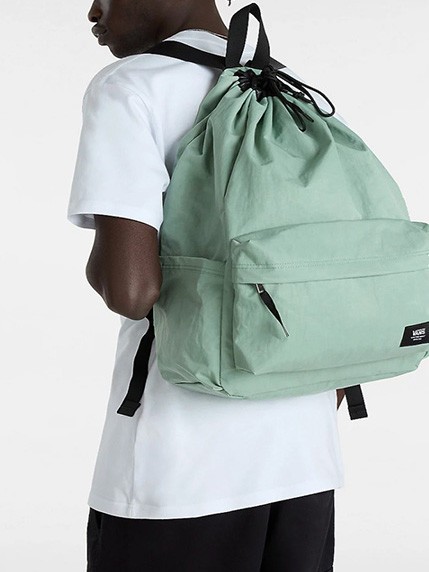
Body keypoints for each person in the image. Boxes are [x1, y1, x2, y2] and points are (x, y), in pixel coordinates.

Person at [67, 0, 347, 570]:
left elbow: (131, 291)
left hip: (182, 472)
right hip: (305, 460)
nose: (93, 10)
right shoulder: (292, 91)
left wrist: (101, 262)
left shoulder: (131, 87)